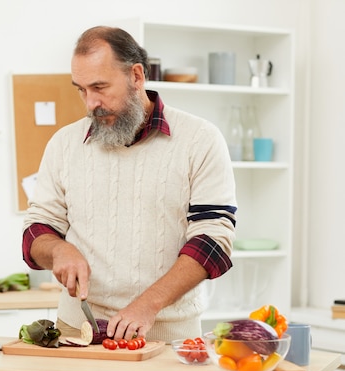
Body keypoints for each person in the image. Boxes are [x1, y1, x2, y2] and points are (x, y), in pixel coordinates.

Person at [21, 26, 237, 343]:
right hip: (75, 332)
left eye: (100, 87)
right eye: (81, 89)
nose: (90, 103)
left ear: (136, 75)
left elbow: (213, 241)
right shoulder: (63, 144)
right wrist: (59, 250)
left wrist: (148, 305)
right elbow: (36, 231)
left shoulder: (200, 140)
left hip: (166, 336)